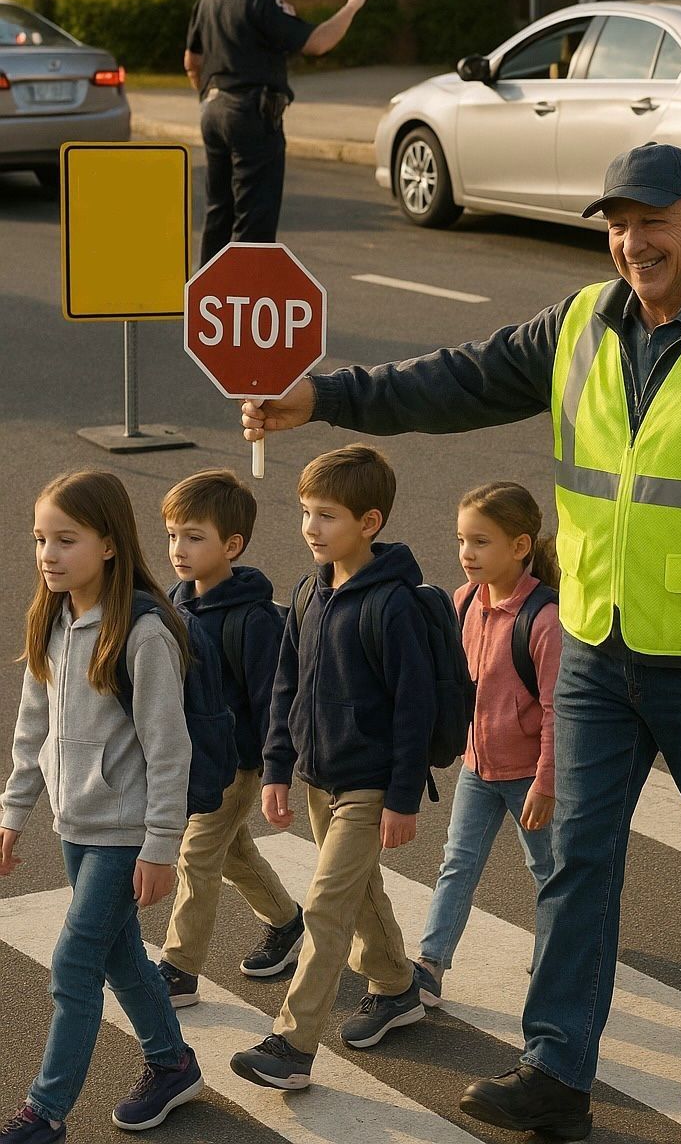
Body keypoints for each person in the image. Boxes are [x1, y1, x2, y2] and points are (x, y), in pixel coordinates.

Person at [240, 142, 681, 1125]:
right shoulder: (579, 322)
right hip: (594, 646)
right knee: (576, 858)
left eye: (652, 220)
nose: (631, 241)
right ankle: (557, 1067)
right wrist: (329, 397)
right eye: (617, 223)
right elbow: (457, 381)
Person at [0, 471, 203, 1142]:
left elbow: (169, 751)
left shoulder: (142, 634)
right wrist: (11, 816)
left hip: (126, 832)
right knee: (120, 958)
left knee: (75, 964)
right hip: (77, 824)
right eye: (40, 540)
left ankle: (45, 1113)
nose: (48, 555)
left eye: (66, 539)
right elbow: (33, 730)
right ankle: (172, 1063)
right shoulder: (53, 618)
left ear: (110, 544)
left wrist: (159, 847)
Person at [229, 445, 436, 1090]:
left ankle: (293, 1045)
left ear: (369, 523)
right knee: (357, 888)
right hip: (320, 775)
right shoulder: (309, 592)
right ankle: (397, 985)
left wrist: (403, 797)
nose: (310, 528)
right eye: (306, 514)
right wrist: (275, 770)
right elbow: (285, 687)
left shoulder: (393, 605)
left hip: (370, 785)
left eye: (326, 516)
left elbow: (415, 708)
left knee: (324, 906)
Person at [156, 469, 304, 1009]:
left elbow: (274, 699)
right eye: (173, 534)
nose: (179, 548)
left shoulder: (254, 621)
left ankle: (178, 969)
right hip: (197, 762)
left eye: (194, 537)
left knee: (196, 856)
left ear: (232, 545)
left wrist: (274, 772)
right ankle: (288, 924)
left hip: (238, 763)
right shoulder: (176, 603)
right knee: (234, 852)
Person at [413, 482, 562, 1008]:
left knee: (549, 872)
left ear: (520, 546)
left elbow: (556, 712)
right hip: (478, 766)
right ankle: (430, 964)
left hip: (528, 775)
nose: (466, 554)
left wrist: (545, 784)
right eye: (461, 541)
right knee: (457, 863)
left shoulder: (544, 620)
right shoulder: (464, 600)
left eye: (480, 542)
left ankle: (559, 958)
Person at [184, 0, 370, 263]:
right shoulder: (261, 1)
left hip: (212, 110)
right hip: (252, 114)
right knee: (255, 217)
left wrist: (208, 98)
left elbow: (191, 61)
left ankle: (206, 301)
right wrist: (352, 5)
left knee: (218, 211)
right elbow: (317, 43)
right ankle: (244, 300)